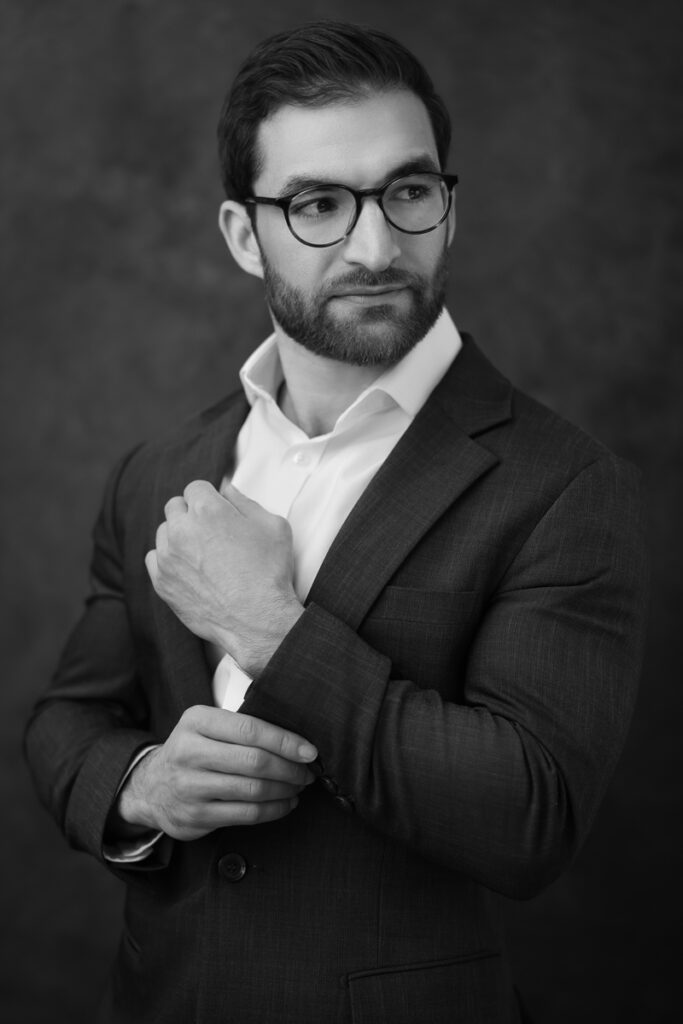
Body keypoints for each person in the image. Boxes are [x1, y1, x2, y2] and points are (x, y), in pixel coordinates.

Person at [25, 21, 648, 1024]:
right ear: (241, 234)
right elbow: (67, 720)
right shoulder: (158, 473)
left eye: (407, 192)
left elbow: (530, 816)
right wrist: (142, 786)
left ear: (448, 209)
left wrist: (265, 625)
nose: (374, 245)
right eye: (318, 203)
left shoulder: (562, 483)